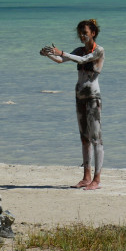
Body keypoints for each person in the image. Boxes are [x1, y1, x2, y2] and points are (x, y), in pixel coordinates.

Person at [40, 19, 105, 190]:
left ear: (93, 33)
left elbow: (83, 60)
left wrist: (62, 52)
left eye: (85, 33)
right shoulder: (79, 50)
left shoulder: (99, 50)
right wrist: (48, 54)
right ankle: (86, 177)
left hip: (93, 97)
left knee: (96, 138)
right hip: (79, 96)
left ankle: (97, 180)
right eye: (80, 33)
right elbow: (61, 60)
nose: (82, 36)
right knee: (84, 138)